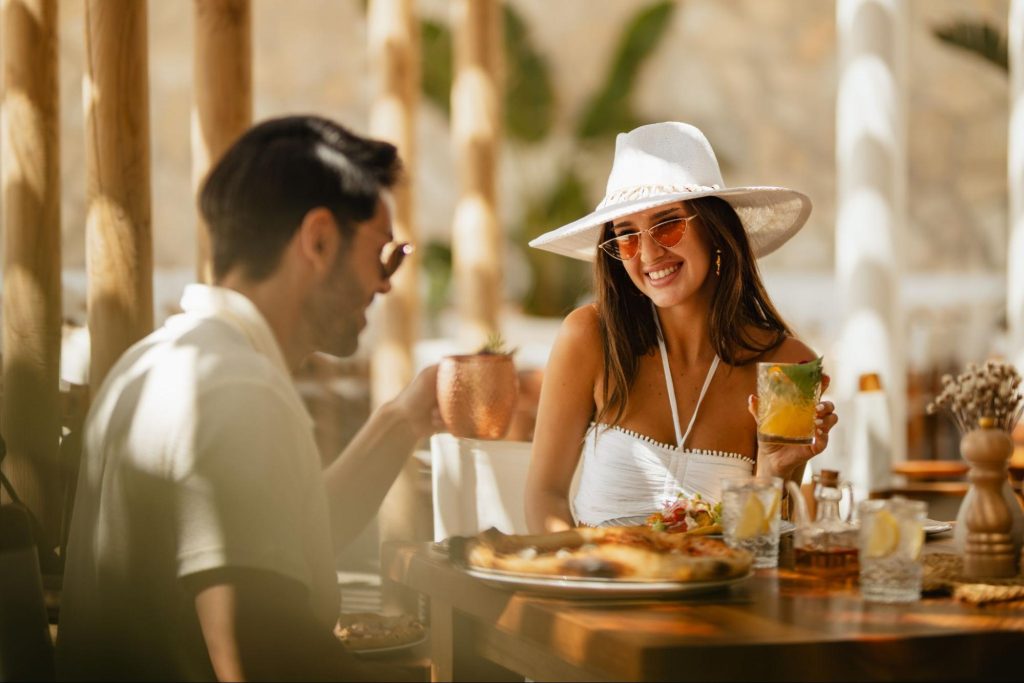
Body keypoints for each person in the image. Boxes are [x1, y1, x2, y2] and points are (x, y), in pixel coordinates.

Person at [57, 116, 435, 681]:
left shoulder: (164, 358)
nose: (385, 284)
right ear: (320, 240)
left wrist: (407, 417)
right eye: (384, 254)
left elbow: (280, 537)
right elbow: (261, 657)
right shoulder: (235, 391)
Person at [524, 122, 838, 533]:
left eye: (668, 224)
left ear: (714, 229)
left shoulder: (790, 366)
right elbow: (544, 494)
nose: (650, 253)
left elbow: (766, 546)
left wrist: (772, 472)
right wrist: (578, 577)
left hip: (719, 593)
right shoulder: (589, 337)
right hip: (596, 585)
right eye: (627, 237)